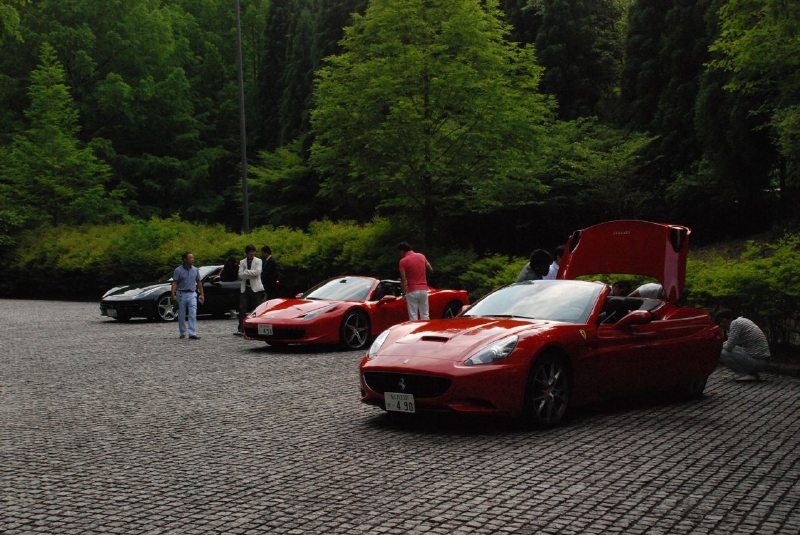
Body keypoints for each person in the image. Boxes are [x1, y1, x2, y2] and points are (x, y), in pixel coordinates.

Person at [715, 309, 771, 381]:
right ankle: (751, 374)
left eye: (721, 321)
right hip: (762, 360)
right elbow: (731, 342)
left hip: (758, 362)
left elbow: (729, 346)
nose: (721, 324)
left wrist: (717, 347)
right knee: (730, 348)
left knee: (720, 353)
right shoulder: (741, 321)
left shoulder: (735, 324)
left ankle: (745, 374)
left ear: (729, 318)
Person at [170, 252, 204, 340]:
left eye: (193, 258)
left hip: (192, 293)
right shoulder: (178, 270)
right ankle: (183, 332)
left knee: (193, 313)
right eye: (190, 258)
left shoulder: (195, 270)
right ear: (185, 259)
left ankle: (192, 333)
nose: (192, 260)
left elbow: (199, 282)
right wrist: (173, 294)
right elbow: (174, 282)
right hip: (181, 293)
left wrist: (201, 294)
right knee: (181, 314)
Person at [397, 241, 433, 320]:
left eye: (399, 252)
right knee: (425, 314)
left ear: (403, 250)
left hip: (412, 290)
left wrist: (403, 294)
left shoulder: (403, 261)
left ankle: (415, 328)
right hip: (423, 290)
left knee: (413, 316)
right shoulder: (421, 256)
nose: (399, 254)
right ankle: (425, 327)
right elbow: (430, 268)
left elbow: (403, 279)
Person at [236, 244, 265, 335]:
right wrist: (250, 274)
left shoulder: (258, 261)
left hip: (256, 288)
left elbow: (257, 273)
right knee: (242, 308)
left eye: (253, 251)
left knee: (257, 308)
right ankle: (241, 328)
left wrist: (246, 272)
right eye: (250, 252)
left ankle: (258, 327)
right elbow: (240, 275)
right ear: (247, 253)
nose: (252, 253)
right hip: (245, 288)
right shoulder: (242, 262)